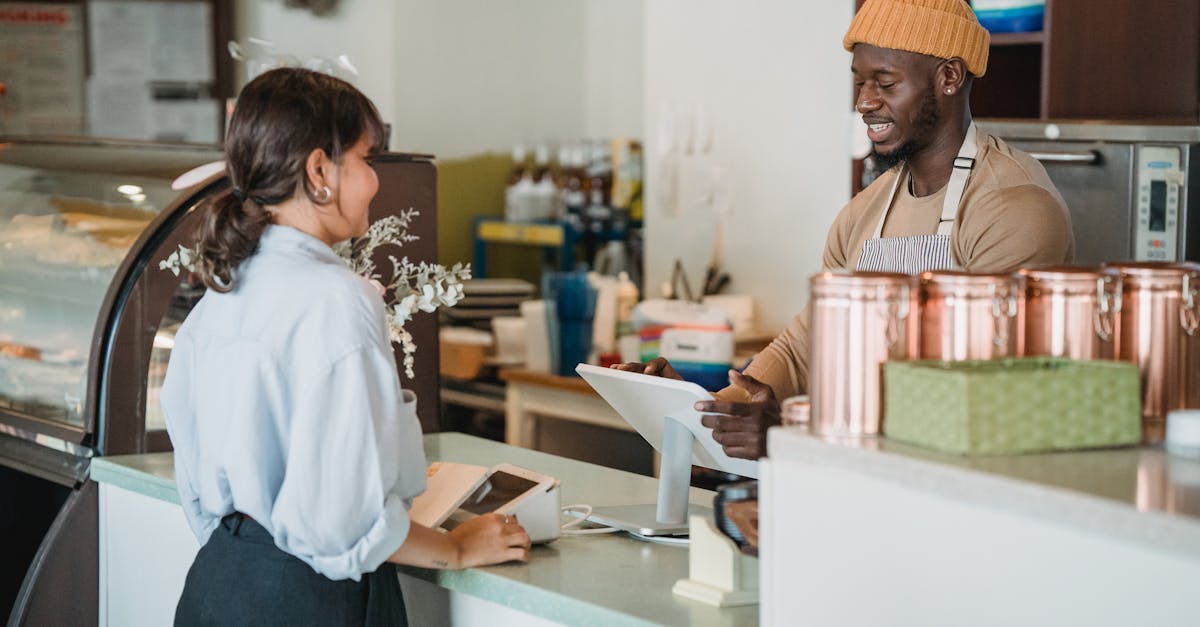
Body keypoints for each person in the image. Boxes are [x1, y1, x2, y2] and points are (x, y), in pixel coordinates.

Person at [616, 0, 1074, 461]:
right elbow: (804, 348)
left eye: (886, 83)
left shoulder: (1013, 208)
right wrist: (703, 410)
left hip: (969, 488)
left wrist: (795, 433)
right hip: (868, 480)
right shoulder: (864, 213)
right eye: (860, 81)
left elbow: (977, 394)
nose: (864, 102)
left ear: (950, 77)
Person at [161, 67, 531, 627]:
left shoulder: (222, 293)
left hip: (219, 584)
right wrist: (455, 548)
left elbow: (193, 477)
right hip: (307, 603)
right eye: (366, 160)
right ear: (318, 171)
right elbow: (339, 523)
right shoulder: (338, 297)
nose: (375, 181)